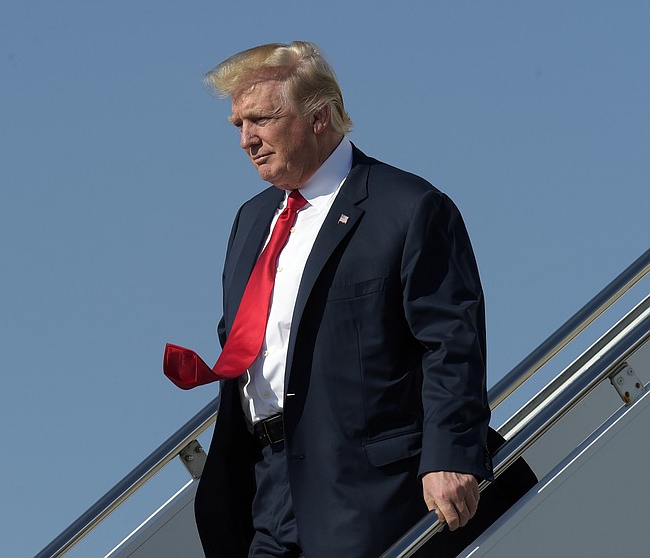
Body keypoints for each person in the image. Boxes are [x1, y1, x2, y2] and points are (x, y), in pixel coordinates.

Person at [164, 41, 534, 558]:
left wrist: (450, 454)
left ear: (319, 117)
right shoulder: (252, 220)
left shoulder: (407, 208)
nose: (247, 140)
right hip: (265, 489)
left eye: (261, 120)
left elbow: (450, 343)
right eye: (237, 125)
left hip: (366, 490)